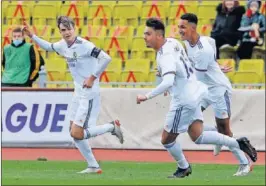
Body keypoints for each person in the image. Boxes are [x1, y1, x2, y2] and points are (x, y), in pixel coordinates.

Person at [137, 17, 257, 178]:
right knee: (197, 135)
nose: (144, 37)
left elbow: (171, 79)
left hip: (199, 95)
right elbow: (184, 64)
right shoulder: (174, 42)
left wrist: (147, 95)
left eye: (148, 34)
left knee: (167, 139)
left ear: (158, 36)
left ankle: (185, 166)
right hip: (196, 92)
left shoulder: (172, 52)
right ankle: (236, 143)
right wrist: (214, 64)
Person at [23, 16, 124, 174]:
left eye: (69, 29)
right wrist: (32, 36)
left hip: (89, 92)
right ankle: (93, 166)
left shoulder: (84, 45)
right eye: (63, 30)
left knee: (77, 133)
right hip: (78, 92)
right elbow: (49, 47)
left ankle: (111, 127)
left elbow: (106, 58)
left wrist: (92, 77)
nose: (66, 32)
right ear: (60, 31)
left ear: (74, 28)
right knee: (74, 131)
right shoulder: (63, 45)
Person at [179, 13, 254, 176]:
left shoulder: (202, 50)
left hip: (219, 89)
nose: (179, 30)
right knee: (189, 124)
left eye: (182, 27)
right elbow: (211, 46)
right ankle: (217, 135)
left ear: (192, 28)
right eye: (179, 27)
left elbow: (195, 80)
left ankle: (245, 162)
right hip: (205, 88)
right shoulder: (201, 41)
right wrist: (215, 65)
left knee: (226, 131)